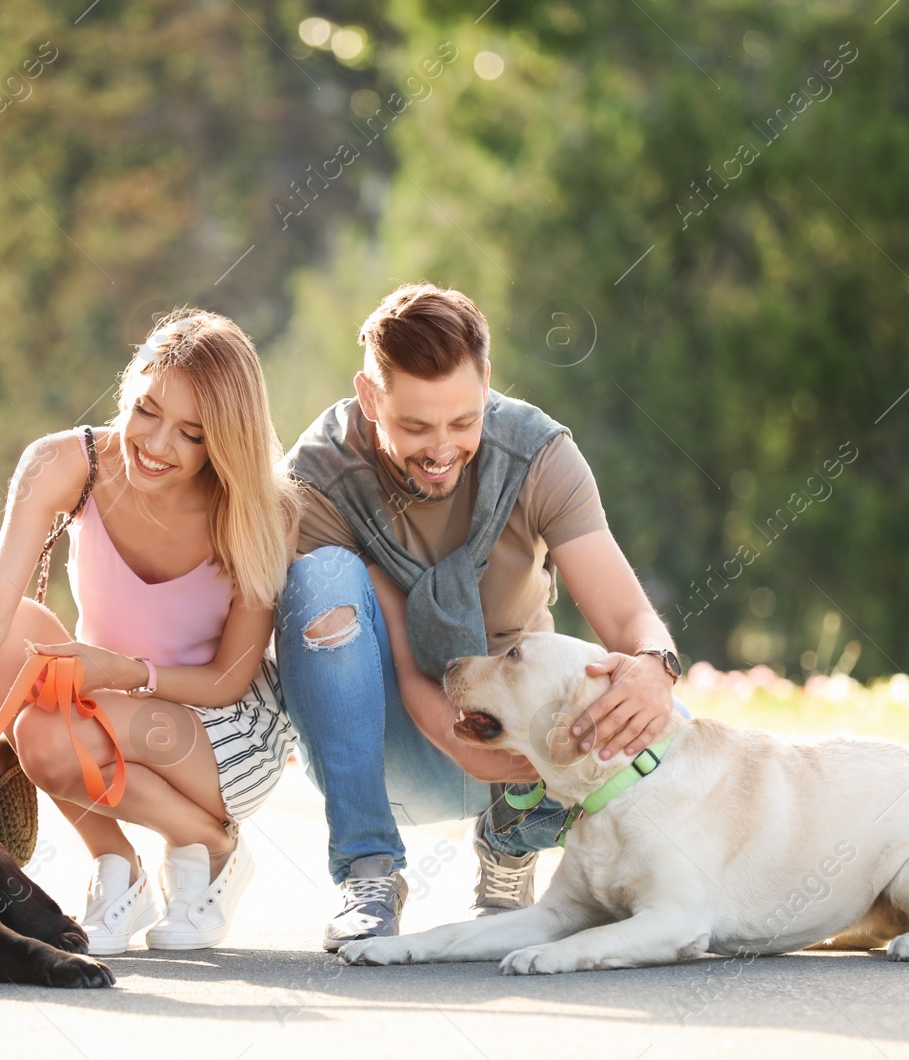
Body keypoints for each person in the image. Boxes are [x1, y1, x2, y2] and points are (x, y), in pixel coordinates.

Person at [278, 283, 691, 951]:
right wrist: (455, 733)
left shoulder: (537, 453)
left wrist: (653, 667)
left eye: (463, 421)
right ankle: (369, 869)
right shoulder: (321, 474)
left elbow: (627, 616)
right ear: (369, 395)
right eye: (414, 425)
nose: (442, 448)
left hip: (530, 757)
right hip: (385, 746)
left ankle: (513, 840)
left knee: (677, 729)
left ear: (487, 385)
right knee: (319, 575)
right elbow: (412, 668)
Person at [0, 309, 298, 953]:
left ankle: (214, 844)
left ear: (225, 440)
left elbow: (228, 679)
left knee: (65, 728)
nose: (157, 445)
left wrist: (125, 674)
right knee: (26, 675)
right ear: (128, 389)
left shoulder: (261, 508)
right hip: (107, 705)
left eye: (191, 433)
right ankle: (119, 870)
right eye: (146, 411)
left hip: (226, 733)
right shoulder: (64, 463)